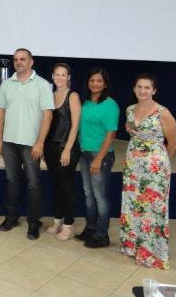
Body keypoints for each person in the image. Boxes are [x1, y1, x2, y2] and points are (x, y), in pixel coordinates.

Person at [119, 74, 176, 269]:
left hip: (154, 169)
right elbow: (131, 132)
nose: (142, 90)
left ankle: (151, 253)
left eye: (147, 87)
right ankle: (132, 246)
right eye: (139, 87)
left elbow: (173, 143)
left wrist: (158, 163)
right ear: (134, 89)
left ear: (154, 90)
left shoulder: (163, 113)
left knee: (152, 210)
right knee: (133, 205)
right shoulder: (129, 109)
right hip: (134, 165)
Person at [0, 48, 54, 240]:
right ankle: (11, 218)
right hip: (9, 142)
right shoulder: (6, 85)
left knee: (33, 184)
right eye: (15, 59)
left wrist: (40, 143)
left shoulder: (43, 85)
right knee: (12, 181)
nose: (18, 62)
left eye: (22, 59)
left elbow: (48, 115)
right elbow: (1, 112)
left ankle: (33, 222)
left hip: (31, 144)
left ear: (31, 62)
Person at [76, 67, 120, 248]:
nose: (95, 84)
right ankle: (90, 229)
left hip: (99, 156)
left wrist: (98, 159)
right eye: (92, 80)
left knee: (100, 197)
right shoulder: (85, 102)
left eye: (99, 81)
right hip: (84, 153)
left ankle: (102, 235)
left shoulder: (110, 105)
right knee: (88, 194)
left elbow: (111, 134)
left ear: (105, 84)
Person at [44, 63, 81, 241]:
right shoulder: (50, 96)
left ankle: (69, 224)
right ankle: (58, 220)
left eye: (63, 75)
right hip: (51, 147)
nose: (60, 77)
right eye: (57, 74)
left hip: (66, 148)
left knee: (67, 187)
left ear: (69, 77)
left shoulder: (73, 96)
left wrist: (67, 149)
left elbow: (74, 126)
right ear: (52, 76)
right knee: (56, 185)